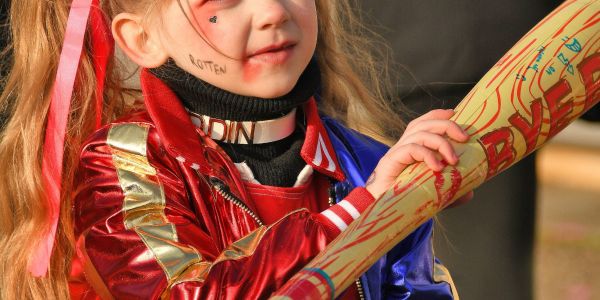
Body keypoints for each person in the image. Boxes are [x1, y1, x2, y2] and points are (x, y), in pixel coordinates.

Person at [0, 1, 473, 299]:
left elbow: (411, 289)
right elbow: (186, 291)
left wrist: (407, 199)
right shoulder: (122, 164)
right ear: (142, 40)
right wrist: (360, 213)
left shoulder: (368, 163)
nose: (271, 11)